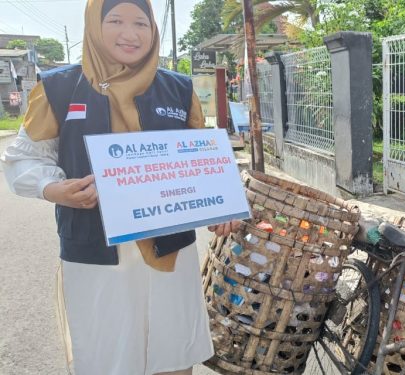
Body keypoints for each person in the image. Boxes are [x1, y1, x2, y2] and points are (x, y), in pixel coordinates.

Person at [1, 1, 240, 374]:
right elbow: (23, 158)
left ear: (152, 31)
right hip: (97, 250)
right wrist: (53, 188)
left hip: (169, 252)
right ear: (94, 25)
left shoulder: (178, 89)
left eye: (140, 23)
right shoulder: (59, 88)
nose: (130, 33)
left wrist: (220, 208)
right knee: (107, 355)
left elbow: (202, 162)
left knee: (171, 352)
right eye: (115, 20)